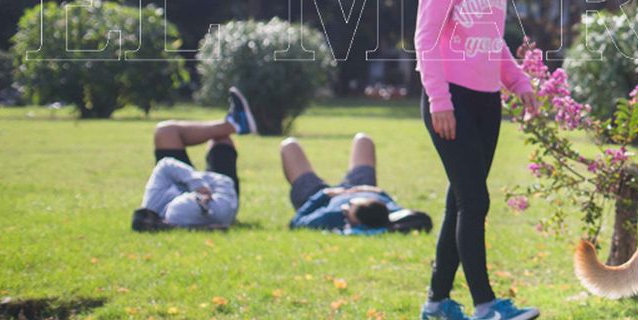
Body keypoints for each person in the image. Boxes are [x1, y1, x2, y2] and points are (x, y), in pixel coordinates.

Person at [414, 0, 541, 320]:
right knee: (475, 198)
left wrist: (519, 82)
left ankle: (437, 300)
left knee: (460, 199)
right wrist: (439, 99)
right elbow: (425, 37)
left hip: (486, 103)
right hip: (452, 102)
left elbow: (494, 42)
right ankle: (485, 306)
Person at [131, 87, 256, 231]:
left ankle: (234, 124)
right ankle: (234, 124)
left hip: (200, 185)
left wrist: (197, 184)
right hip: (221, 191)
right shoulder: (180, 213)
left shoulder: (153, 203)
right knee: (222, 141)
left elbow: (165, 166)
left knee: (165, 131)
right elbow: (225, 189)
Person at [281, 133, 428, 232]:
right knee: (363, 139)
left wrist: (325, 194)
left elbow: (296, 222)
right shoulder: (386, 212)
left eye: (348, 208)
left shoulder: (332, 215)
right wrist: (372, 191)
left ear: (351, 220)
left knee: (289, 146)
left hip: (321, 196)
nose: (348, 204)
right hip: (361, 187)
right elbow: (421, 219)